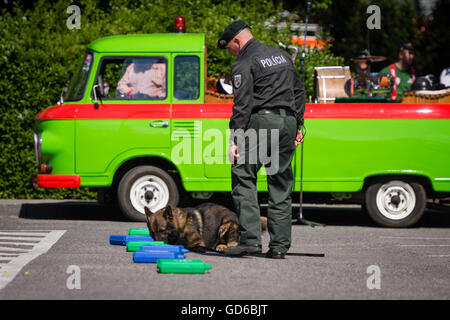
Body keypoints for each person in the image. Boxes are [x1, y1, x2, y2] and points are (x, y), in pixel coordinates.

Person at [217, 20, 305, 259]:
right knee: (280, 184)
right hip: (286, 122)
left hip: (261, 122)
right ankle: (279, 247)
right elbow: (298, 91)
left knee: (244, 177)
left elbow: (243, 104)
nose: (230, 53)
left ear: (237, 40)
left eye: (229, 48)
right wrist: (298, 124)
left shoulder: (244, 61)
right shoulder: (282, 56)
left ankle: (251, 240)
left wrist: (234, 138)